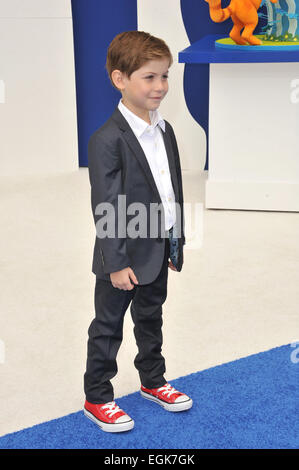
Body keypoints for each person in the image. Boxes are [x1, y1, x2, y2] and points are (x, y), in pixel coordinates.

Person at [83, 31, 192, 433]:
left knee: (151, 318)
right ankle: (97, 397)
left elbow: (171, 189)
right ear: (120, 79)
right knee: (108, 327)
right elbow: (107, 206)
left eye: (164, 76)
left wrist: (174, 241)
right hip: (122, 257)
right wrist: (116, 263)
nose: (160, 87)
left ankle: (153, 380)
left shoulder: (165, 131)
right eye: (149, 77)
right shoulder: (106, 140)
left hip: (158, 246)